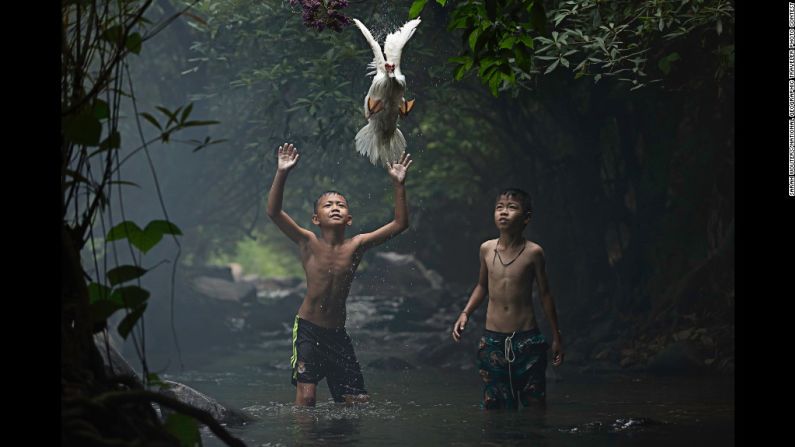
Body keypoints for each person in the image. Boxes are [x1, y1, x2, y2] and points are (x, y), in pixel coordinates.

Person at [266, 143, 413, 406]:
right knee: (307, 397)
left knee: (356, 402)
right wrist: (282, 172)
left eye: (341, 205)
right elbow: (274, 212)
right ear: (315, 218)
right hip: (309, 329)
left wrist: (398, 184)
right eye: (328, 205)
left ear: (349, 219)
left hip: (336, 333)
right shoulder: (308, 242)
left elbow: (400, 224)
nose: (335, 207)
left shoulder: (356, 245)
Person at [451, 188, 564, 409]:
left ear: (526, 218)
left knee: (535, 406)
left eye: (512, 208)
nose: (503, 212)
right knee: (494, 406)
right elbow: (482, 286)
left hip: (527, 340)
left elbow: (545, 294)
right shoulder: (486, 249)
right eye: (499, 207)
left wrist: (557, 336)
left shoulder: (534, 253)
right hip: (492, 341)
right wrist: (465, 313)